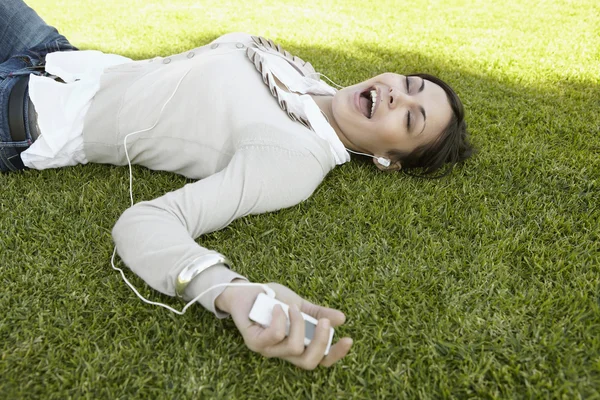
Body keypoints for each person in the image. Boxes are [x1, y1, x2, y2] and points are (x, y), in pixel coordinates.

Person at [1, 0, 473, 370]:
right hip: (59, 57)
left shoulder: (294, 159)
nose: (396, 94)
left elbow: (148, 222)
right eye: (410, 83)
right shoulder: (309, 80)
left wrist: (227, 290)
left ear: (387, 160)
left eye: (410, 117)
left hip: (27, 112)